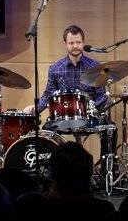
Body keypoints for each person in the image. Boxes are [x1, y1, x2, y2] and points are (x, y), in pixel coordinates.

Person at [24, 25, 114, 159]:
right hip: (63, 118)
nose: (75, 46)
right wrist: (36, 108)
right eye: (71, 43)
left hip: (89, 117)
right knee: (45, 132)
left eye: (78, 42)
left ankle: (106, 170)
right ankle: (53, 172)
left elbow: (101, 95)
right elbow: (48, 94)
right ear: (65, 44)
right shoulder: (56, 68)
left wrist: (92, 108)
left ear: (83, 43)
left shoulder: (95, 66)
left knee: (111, 129)